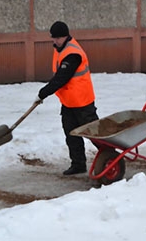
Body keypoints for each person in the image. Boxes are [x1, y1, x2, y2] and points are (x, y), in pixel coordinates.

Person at [36, 21, 99, 175]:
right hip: (69, 101)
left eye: (58, 38)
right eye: (54, 38)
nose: (55, 41)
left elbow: (61, 78)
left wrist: (44, 92)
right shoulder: (60, 49)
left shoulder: (73, 53)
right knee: (71, 133)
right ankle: (78, 164)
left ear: (66, 36)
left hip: (82, 101)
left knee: (95, 134)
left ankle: (111, 155)